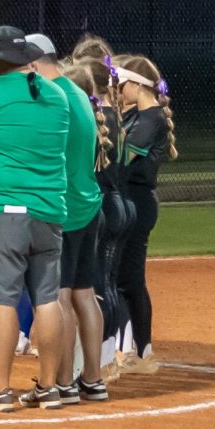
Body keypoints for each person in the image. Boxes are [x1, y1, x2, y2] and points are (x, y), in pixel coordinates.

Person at [0, 26, 68, 412]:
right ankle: (50, 387)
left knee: (1, 299)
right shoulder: (57, 95)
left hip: (3, 209)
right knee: (47, 298)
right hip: (50, 209)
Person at [27, 35, 108, 403]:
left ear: (34, 62)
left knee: (58, 294)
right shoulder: (78, 92)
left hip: (63, 207)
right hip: (88, 202)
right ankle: (91, 378)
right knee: (84, 293)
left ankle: (62, 381)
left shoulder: (54, 96)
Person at [116, 54, 177, 373]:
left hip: (137, 202)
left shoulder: (149, 118)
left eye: (122, 84)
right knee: (126, 280)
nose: (118, 89)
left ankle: (137, 353)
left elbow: (122, 157)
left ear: (137, 85)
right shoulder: (136, 115)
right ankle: (139, 351)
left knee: (127, 280)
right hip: (132, 200)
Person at [83, 47, 132, 378]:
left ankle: (102, 358)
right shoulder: (119, 116)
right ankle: (108, 353)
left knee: (100, 285)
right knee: (110, 283)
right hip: (122, 202)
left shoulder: (96, 117)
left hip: (103, 202)